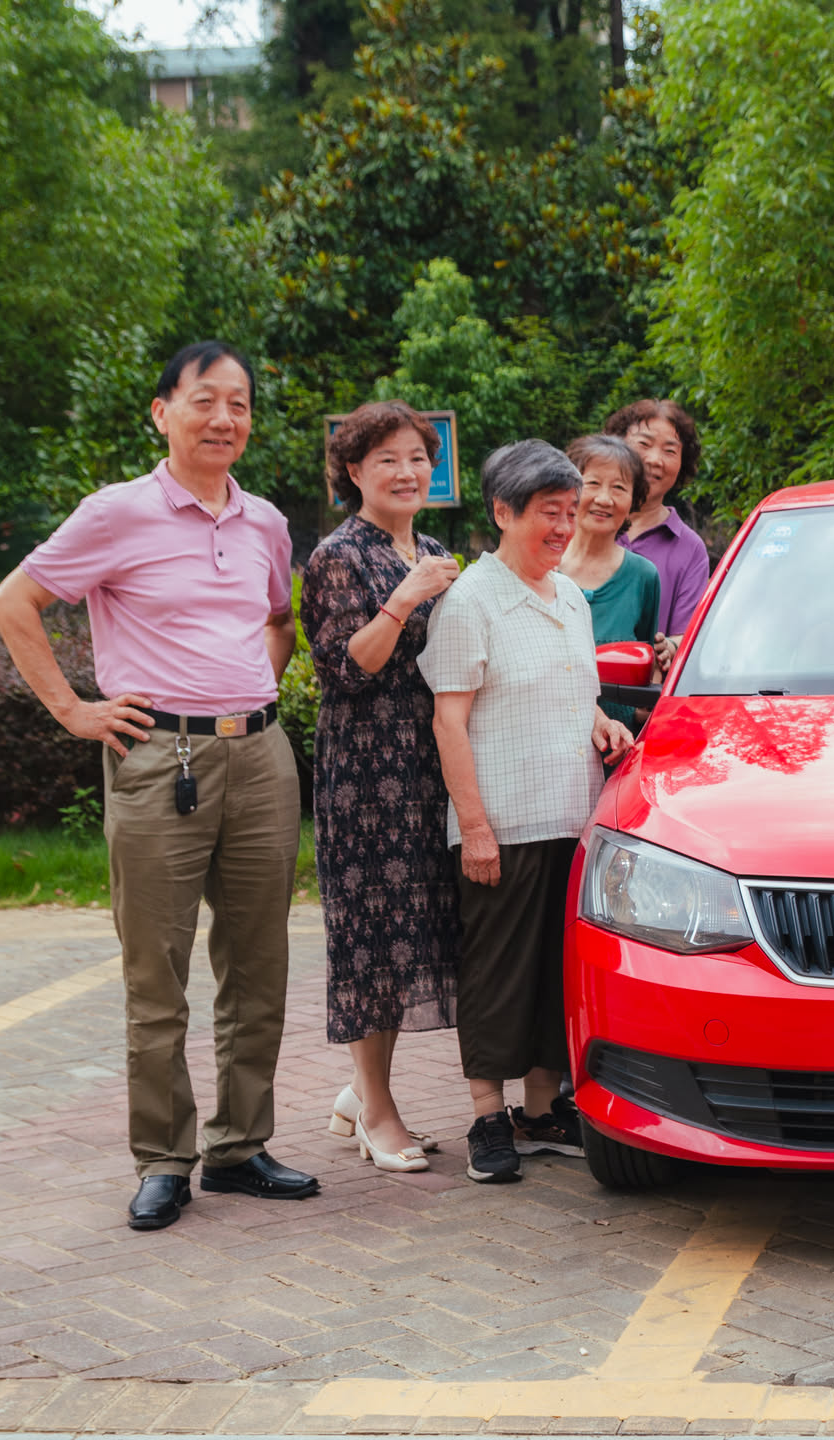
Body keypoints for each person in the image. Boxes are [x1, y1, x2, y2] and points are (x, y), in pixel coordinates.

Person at [0, 341, 316, 1231]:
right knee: (156, 973)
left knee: (259, 967)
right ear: (162, 412)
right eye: (205, 400)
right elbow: (12, 603)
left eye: (239, 404)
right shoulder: (115, 513)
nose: (224, 419)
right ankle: (164, 1158)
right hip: (157, 757)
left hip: (260, 756)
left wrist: (247, 690)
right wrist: (73, 710)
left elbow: (279, 620)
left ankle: (240, 1148)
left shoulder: (264, 522)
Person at [421, 440, 634, 1185]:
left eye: (570, 512)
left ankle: (542, 1110)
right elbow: (449, 721)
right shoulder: (471, 601)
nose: (565, 527)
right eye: (550, 512)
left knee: (555, 970)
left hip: (572, 816)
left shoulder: (568, 595)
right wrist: (475, 828)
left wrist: (601, 722)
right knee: (497, 970)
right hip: (503, 824)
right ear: (504, 512)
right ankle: (488, 1116)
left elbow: (573, 692)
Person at [300, 402, 462, 1174]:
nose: (406, 472)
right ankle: (377, 1112)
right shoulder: (338, 555)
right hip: (365, 773)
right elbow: (349, 665)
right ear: (354, 471)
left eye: (418, 458)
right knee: (370, 939)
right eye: (387, 459)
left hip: (426, 765)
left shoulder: (432, 550)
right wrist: (406, 597)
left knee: (409, 933)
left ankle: (359, 1093)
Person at [560, 434, 661, 733]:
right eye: (593, 483)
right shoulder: (542, 568)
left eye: (619, 488)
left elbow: (642, 672)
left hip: (617, 748)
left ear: (633, 501)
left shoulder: (643, 576)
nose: (605, 499)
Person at [604, 398, 711, 658]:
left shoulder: (690, 548)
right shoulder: (586, 523)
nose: (655, 460)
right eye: (644, 444)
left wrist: (670, 647)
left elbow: (690, 634)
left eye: (670, 451)